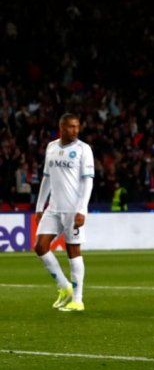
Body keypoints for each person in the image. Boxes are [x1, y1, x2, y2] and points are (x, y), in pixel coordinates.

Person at [33, 113, 94, 312]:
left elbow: (88, 181)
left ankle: (78, 299)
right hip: (53, 208)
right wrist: (39, 206)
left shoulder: (84, 149)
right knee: (40, 247)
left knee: (73, 251)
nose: (75, 130)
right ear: (61, 127)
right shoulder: (51, 147)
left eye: (77, 126)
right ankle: (64, 287)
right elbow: (46, 178)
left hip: (72, 209)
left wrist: (82, 209)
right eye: (70, 127)